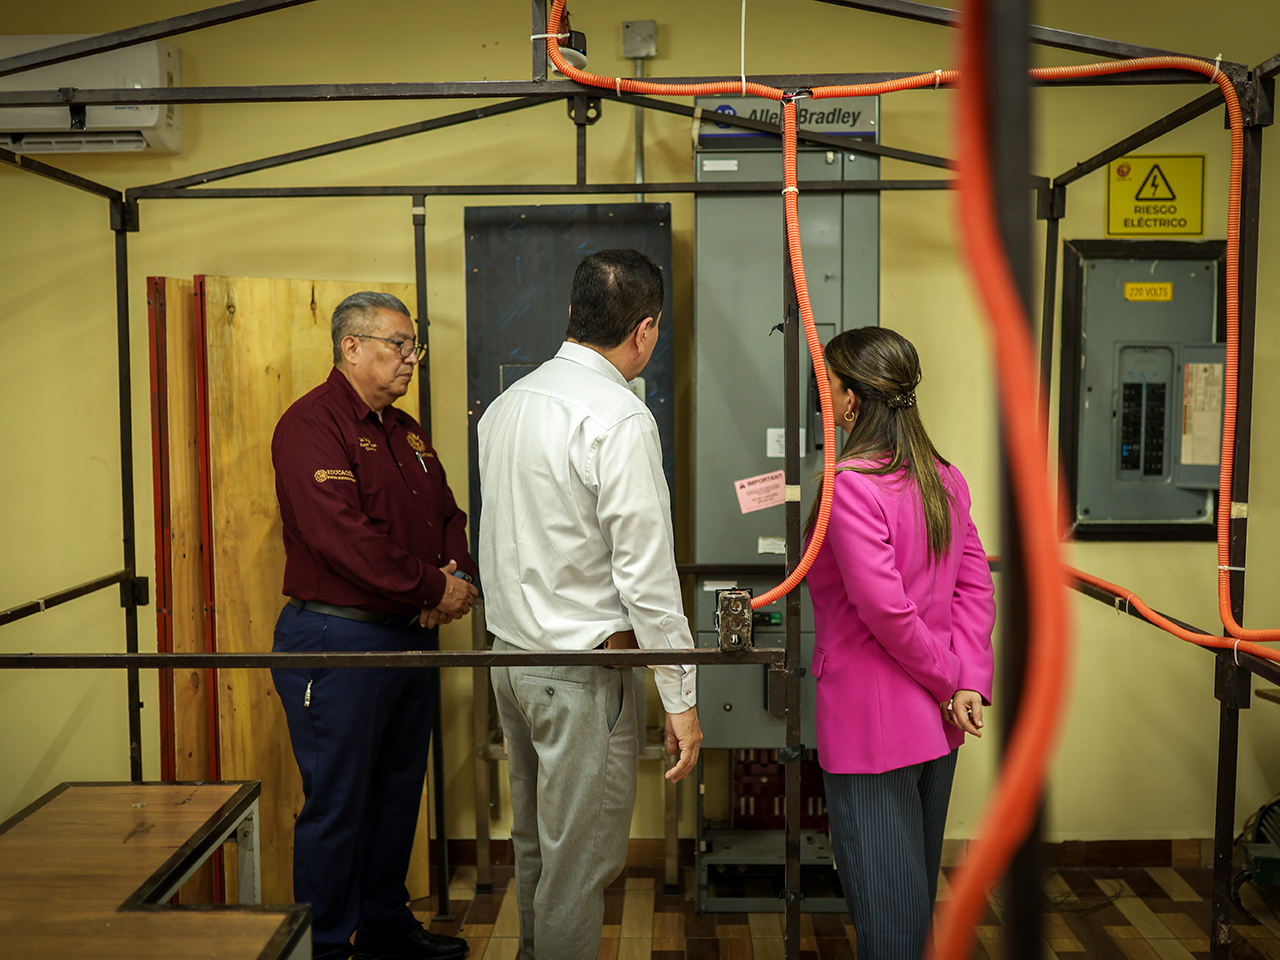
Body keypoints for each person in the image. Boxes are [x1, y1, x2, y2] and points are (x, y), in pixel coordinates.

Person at [477, 249, 702, 960]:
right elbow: (647, 574)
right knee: (577, 868)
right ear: (645, 330)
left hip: (508, 661)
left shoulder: (507, 406)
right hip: (579, 674)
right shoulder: (619, 418)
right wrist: (681, 696)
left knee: (536, 847)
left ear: (573, 313)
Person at [270, 291, 478, 960]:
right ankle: (326, 947)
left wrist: (453, 579)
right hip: (340, 639)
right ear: (351, 346)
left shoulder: (406, 431)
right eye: (399, 344)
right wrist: (433, 587)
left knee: (395, 794)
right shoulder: (312, 424)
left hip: (409, 634)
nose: (411, 358)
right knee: (338, 803)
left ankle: (386, 927)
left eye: (414, 347)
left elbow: (449, 516)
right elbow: (343, 538)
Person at [805, 327, 996, 960]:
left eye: (828, 385)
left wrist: (948, 681)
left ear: (852, 400)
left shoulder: (851, 485)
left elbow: (886, 612)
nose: (823, 395)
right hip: (938, 727)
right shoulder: (944, 477)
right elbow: (976, 588)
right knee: (911, 902)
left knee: (889, 918)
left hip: (872, 729)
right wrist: (966, 682)